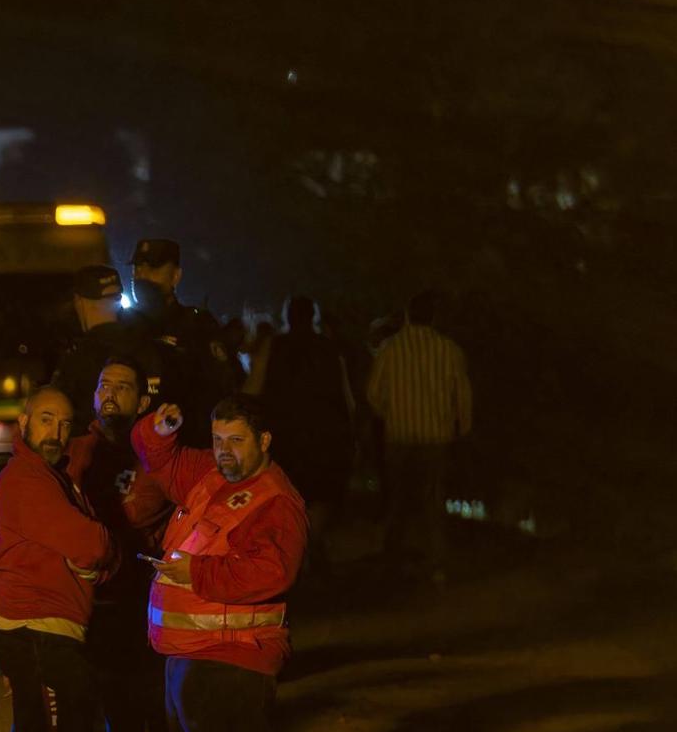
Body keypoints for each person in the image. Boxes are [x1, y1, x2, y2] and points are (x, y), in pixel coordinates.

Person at [133, 394, 308, 732]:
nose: (224, 452)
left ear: (264, 441)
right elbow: (158, 461)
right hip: (192, 654)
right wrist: (160, 428)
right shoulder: (212, 473)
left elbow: (273, 573)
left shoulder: (276, 501)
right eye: (217, 440)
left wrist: (198, 576)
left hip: (233, 659)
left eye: (236, 441)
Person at [0, 384, 115, 732]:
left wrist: (95, 558)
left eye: (64, 423)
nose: (56, 433)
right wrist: (98, 547)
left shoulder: (52, 476)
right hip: (38, 636)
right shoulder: (28, 480)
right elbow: (94, 544)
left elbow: (98, 557)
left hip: (45, 634)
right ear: (24, 421)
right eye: (45, 420)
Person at [66, 359, 173, 732]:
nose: (111, 393)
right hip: (78, 615)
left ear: (142, 401)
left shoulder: (157, 458)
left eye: (124, 386)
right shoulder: (72, 452)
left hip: (132, 616)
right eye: (104, 383)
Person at [366, 288, 472, 582]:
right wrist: (460, 427)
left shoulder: (390, 348)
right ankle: (437, 562)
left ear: (409, 316)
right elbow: (461, 394)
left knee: (398, 499)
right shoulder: (449, 349)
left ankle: (392, 557)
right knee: (433, 501)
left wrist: (391, 414)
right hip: (436, 438)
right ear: (434, 317)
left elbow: (373, 393)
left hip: (399, 437)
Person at [247, 295, 358, 575]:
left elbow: (253, 388)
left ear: (287, 317)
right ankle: (313, 543)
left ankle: (296, 550)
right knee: (320, 494)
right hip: (324, 433)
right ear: (313, 317)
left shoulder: (274, 346)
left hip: (285, 433)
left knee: (289, 492)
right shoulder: (328, 348)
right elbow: (347, 396)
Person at [124, 238, 238, 447]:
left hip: (185, 448)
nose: (142, 276)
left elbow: (223, 389)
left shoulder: (197, 326)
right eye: (138, 269)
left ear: (176, 276)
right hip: (132, 449)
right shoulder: (123, 325)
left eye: (153, 268)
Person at [48, 265, 159, 432]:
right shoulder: (151, 346)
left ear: (80, 301)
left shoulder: (77, 360)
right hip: (147, 450)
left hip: (95, 453)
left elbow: (57, 415)